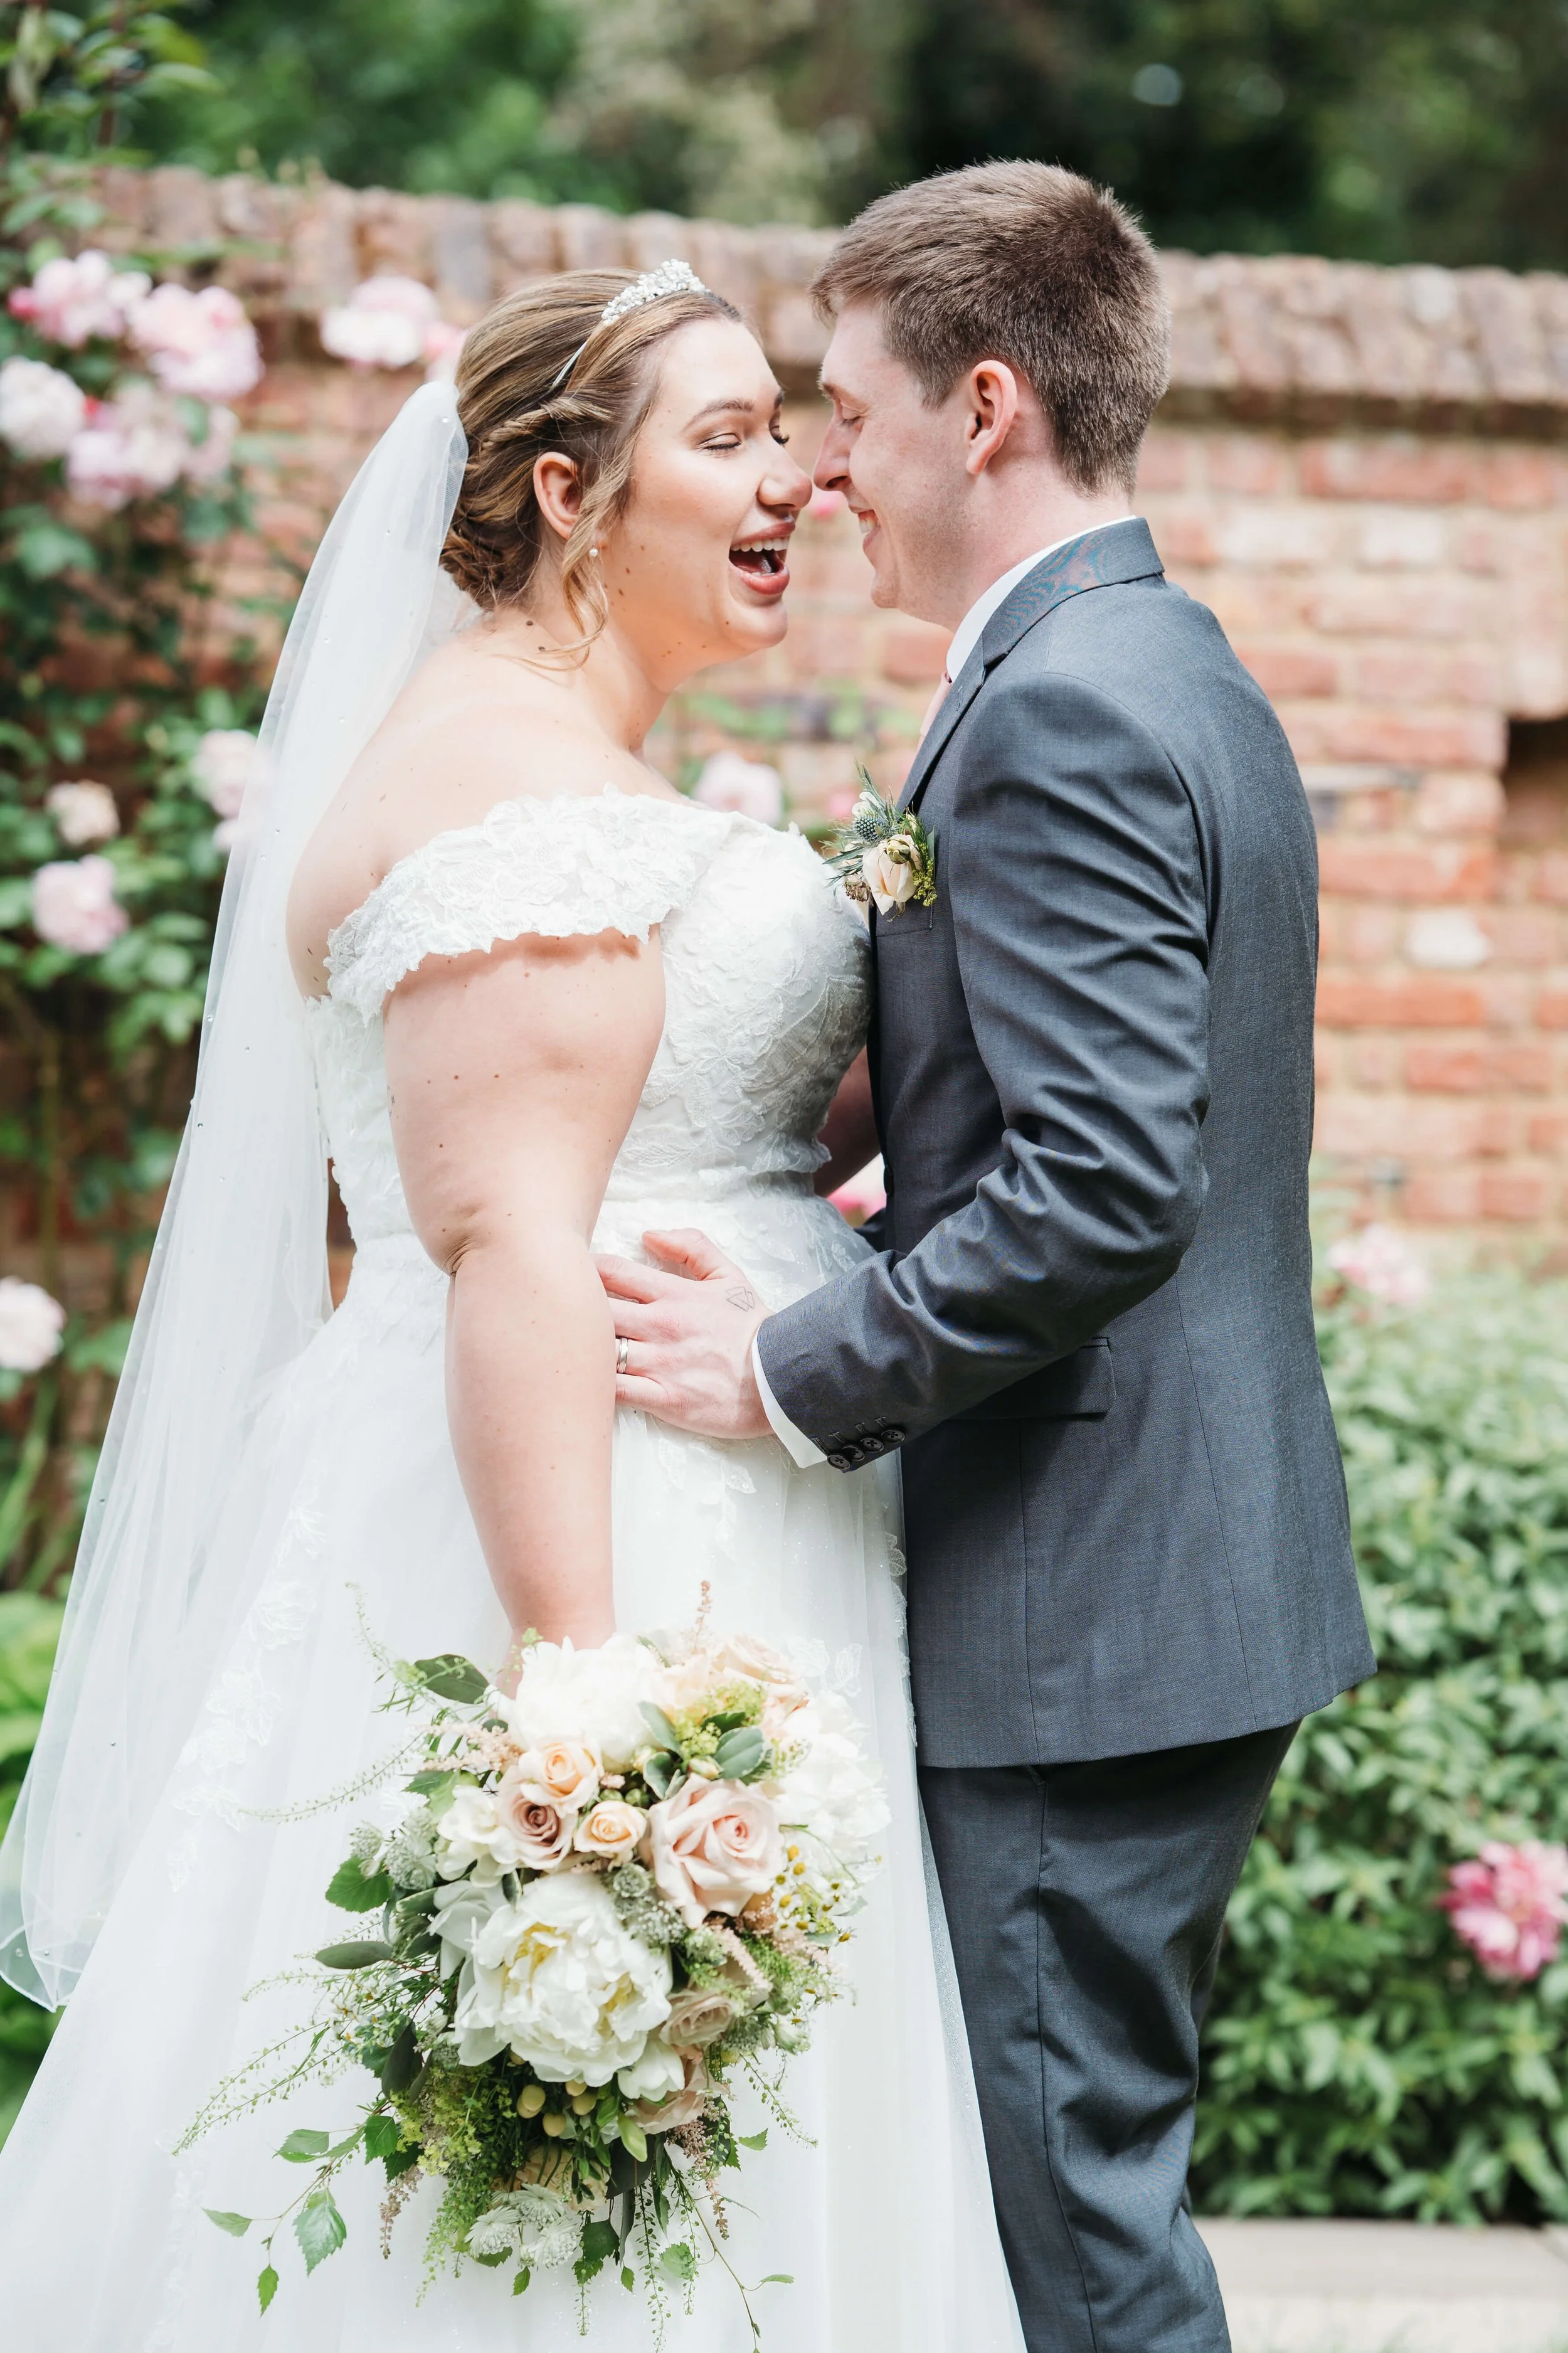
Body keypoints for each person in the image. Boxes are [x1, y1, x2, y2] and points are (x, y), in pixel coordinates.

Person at [0, 266, 1025, 2351]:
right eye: (727, 438)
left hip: (706, 1504)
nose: (798, 480)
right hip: (594, 1549)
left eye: (790, 431)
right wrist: (587, 1724)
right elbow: (511, 1246)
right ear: (567, 490)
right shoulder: (507, 791)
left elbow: (672, 1119)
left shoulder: (557, 762)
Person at [598, 164, 1377, 2353]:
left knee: (1072, 2248)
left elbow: (1114, 1182)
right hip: (1155, 1571)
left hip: (1088, 1603)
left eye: (842, 410)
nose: (818, 465)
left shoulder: (1062, 706)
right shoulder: (1153, 655)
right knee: (1059, 2200)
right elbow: (1107, 1110)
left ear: (983, 408)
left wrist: (783, 1365)